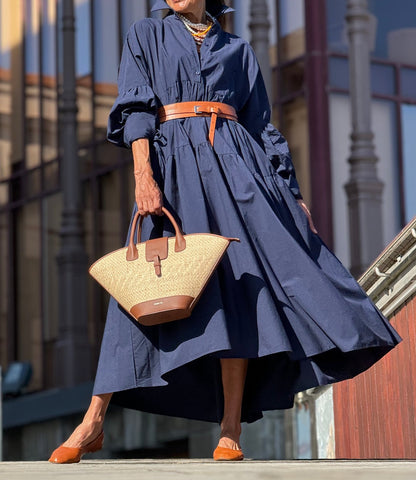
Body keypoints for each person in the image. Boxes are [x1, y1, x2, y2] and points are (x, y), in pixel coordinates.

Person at [49, 0, 401, 464]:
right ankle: (93, 420)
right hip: (172, 167)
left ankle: (231, 428)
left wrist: (291, 193)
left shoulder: (238, 48)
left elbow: (260, 126)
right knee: (137, 289)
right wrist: (143, 176)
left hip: (240, 174)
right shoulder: (146, 34)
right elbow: (135, 107)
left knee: (240, 291)